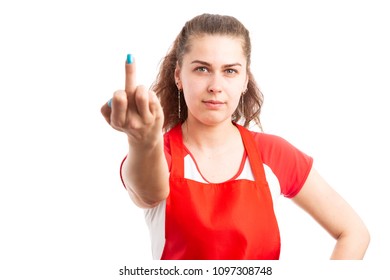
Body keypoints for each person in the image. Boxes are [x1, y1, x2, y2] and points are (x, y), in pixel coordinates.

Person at [101, 13, 370, 260]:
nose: (216, 86)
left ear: (244, 81)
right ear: (178, 76)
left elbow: (354, 233)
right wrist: (143, 140)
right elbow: (147, 193)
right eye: (202, 69)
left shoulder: (273, 154)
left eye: (230, 71)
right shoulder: (160, 156)